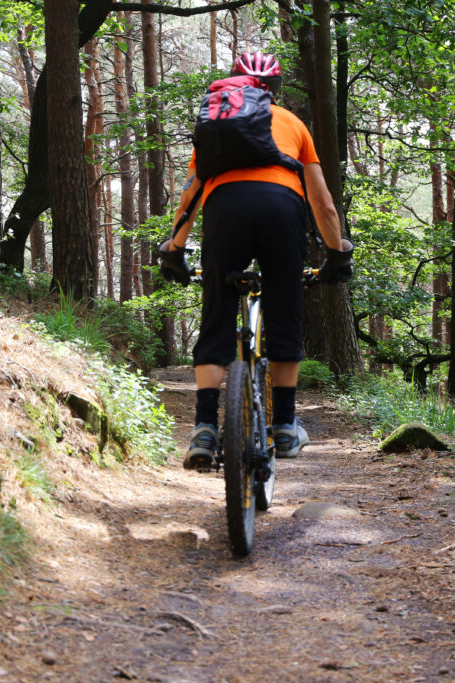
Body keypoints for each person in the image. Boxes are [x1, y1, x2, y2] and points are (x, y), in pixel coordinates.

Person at [159, 51, 354, 469]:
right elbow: (322, 202)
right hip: (281, 209)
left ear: (233, 85)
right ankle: (284, 426)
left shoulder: (215, 123)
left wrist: (175, 248)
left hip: (224, 209)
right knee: (285, 309)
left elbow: (191, 195)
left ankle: (204, 429)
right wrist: (338, 251)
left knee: (216, 314)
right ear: (275, 90)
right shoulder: (292, 123)